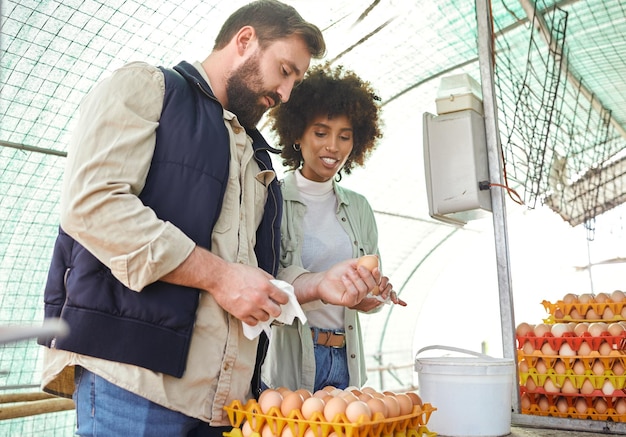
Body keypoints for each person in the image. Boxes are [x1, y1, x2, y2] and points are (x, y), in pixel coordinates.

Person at [37, 2, 327, 436]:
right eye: (284, 70)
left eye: (294, 81)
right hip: (134, 385)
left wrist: (321, 285)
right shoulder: (150, 87)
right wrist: (220, 278)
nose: (285, 93)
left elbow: (247, 272)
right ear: (245, 40)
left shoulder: (254, 152)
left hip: (223, 402)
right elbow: (95, 206)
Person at [260, 63, 407, 394]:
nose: (333, 147)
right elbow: (264, 283)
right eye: (321, 132)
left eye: (345, 136)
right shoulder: (272, 201)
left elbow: (363, 289)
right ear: (297, 133)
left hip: (347, 357)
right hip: (293, 359)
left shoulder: (360, 208)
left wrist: (373, 295)